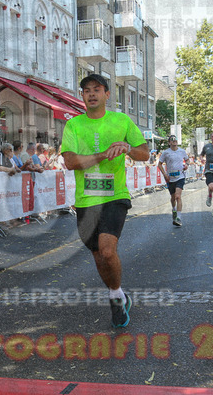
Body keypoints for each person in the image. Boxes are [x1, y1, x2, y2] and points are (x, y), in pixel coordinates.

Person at [61, 74, 149, 328]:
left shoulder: (122, 121)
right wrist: (102, 155)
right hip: (86, 200)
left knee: (108, 250)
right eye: (87, 90)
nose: (92, 94)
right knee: (99, 255)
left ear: (107, 94)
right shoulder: (73, 125)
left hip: (115, 196)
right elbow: (71, 162)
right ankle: (117, 293)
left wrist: (127, 148)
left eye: (97, 89)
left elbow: (144, 153)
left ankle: (115, 297)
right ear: (82, 96)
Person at [157, 135, 189, 227]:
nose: (174, 141)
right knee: (173, 197)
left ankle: (178, 218)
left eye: (175, 140)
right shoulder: (166, 152)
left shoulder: (182, 151)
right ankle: (174, 209)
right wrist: (165, 174)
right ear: (169, 142)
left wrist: (186, 165)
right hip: (170, 178)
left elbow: (187, 160)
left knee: (178, 196)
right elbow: (159, 164)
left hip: (180, 176)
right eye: (172, 140)